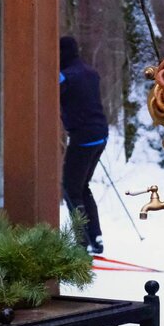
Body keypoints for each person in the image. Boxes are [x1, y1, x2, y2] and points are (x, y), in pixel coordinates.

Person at [59, 36, 109, 255]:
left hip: (83, 137)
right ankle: (95, 237)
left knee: (71, 188)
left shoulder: (65, 76)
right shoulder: (91, 73)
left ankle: (82, 241)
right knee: (82, 186)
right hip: (100, 134)